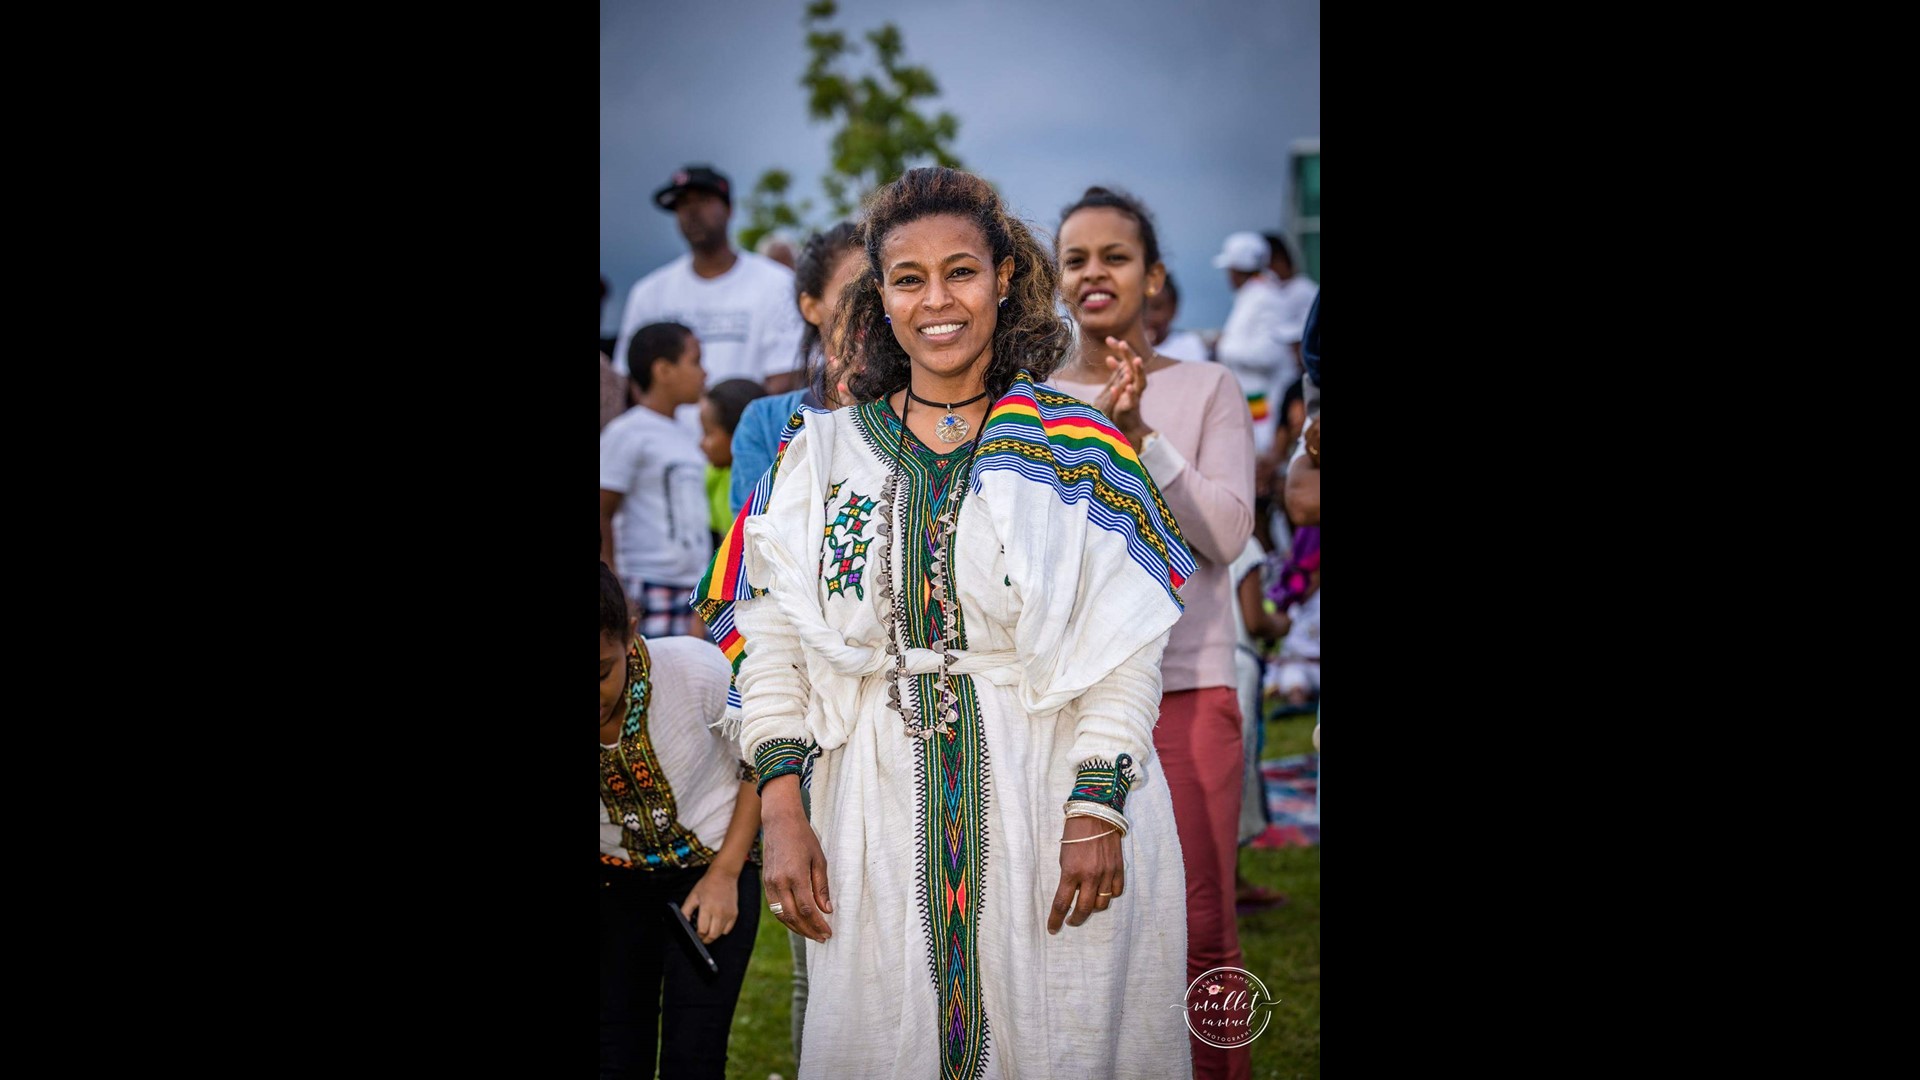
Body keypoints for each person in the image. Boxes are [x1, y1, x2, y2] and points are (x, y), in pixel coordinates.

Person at [694, 167, 1196, 1080]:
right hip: (871, 804)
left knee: (1059, 1034)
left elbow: (1124, 645)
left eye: (960, 271)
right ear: (878, 299)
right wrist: (780, 802)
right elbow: (770, 639)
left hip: (1044, 785)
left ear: (1006, 277)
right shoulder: (823, 457)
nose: (937, 300)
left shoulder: (1075, 445)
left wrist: (1097, 804)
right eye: (908, 278)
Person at [1050, 185, 1257, 1080]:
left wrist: (1142, 437)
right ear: (1056, 282)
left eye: (1116, 256)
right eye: (1076, 259)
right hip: (1067, 705)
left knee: (1202, 925)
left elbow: (1226, 535)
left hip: (1187, 691)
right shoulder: (1029, 402)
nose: (1095, 273)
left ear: (1154, 277)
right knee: (1085, 926)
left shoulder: (1209, 386)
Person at [600, 561, 763, 1078]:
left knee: (693, 1058)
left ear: (630, 633)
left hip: (713, 874)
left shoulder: (695, 669)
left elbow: (758, 757)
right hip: (612, 884)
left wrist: (725, 874)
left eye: (600, 671)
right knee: (613, 1056)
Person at [612, 164, 807, 430]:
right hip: (667, 456)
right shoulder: (649, 292)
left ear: (729, 209)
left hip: (746, 452)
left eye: (703, 201)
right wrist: (665, 439)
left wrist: (735, 438)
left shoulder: (775, 283)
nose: (692, 212)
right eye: (682, 204)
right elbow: (634, 378)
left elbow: (786, 376)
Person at [731, 221, 866, 515]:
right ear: (810, 306)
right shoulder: (765, 422)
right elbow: (755, 542)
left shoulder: (925, 410)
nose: (872, 306)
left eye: (887, 286)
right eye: (855, 291)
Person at [601, 322, 713, 637]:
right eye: (695, 361)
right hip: (647, 585)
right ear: (663, 370)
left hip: (691, 587)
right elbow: (602, 510)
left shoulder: (689, 432)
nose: (704, 373)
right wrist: (615, 587)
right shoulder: (628, 432)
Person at [1211, 231, 1297, 457]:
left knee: (1260, 453)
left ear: (1237, 269)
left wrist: (1224, 346)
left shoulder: (1264, 297)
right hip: (1253, 395)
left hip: (1263, 396)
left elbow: (1269, 353)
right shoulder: (1254, 294)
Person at [699, 378, 769, 545]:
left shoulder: (769, 484)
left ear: (740, 434)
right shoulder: (713, 475)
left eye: (708, 433)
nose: (701, 443)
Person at [1142, 271, 1209, 362]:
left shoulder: (1189, 346)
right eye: (1142, 308)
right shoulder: (1126, 348)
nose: (1148, 316)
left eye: (1156, 308)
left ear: (1173, 309)